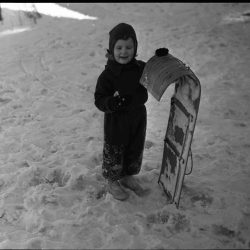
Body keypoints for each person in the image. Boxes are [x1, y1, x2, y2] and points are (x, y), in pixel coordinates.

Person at [94, 23, 148, 201]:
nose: (124, 52)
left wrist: (161, 58)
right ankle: (112, 181)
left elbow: (152, 77)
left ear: (135, 48)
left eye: (128, 47)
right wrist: (112, 102)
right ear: (111, 49)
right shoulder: (107, 75)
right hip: (116, 123)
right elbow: (99, 99)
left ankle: (127, 176)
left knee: (134, 148)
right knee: (115, 151)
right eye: (119, 47)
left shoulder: (140, 68)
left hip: (137, 119)